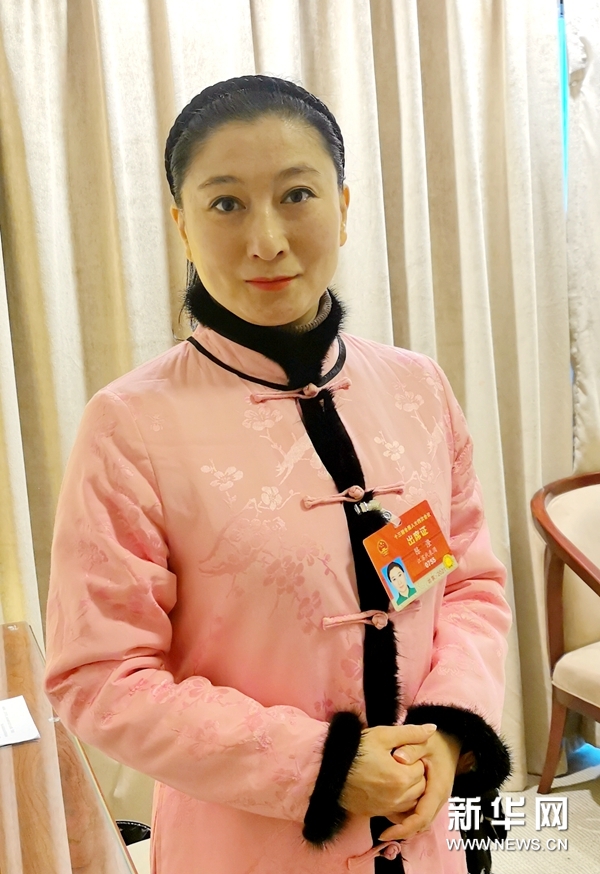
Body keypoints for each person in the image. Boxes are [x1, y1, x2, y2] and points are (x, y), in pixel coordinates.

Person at [43, 76, 512, 874]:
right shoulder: (130, 423)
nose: (266, 240)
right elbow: (101, 675)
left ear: (344, 205)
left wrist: (447, 728)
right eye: (226, 203)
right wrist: (324, 765)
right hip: (249, 846)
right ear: (181, 224)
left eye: (297, 194)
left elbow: (465, 583)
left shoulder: (416, 388)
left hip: (429, 832)